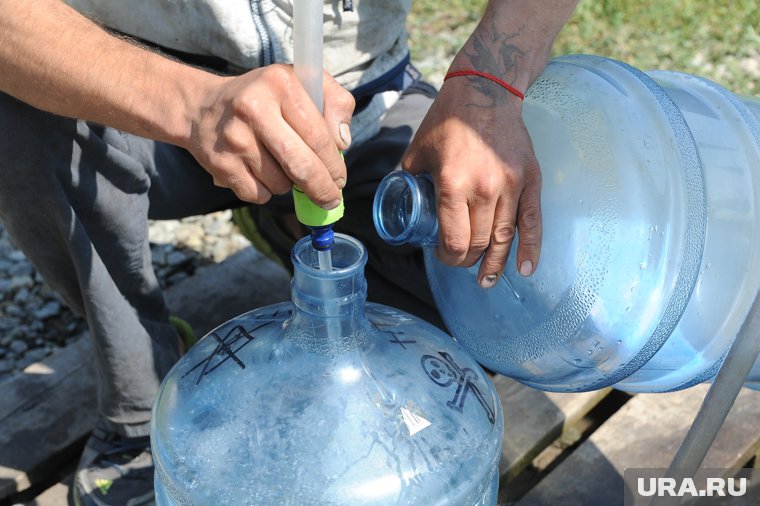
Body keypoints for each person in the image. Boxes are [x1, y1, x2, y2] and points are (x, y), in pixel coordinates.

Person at [0, 0, 579, 504]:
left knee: (503, 302)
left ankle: (281, 216)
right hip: (133, 102)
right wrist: (194, 105)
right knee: (17, 126)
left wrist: (487, 86)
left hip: (359, 108)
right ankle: (135, 406)